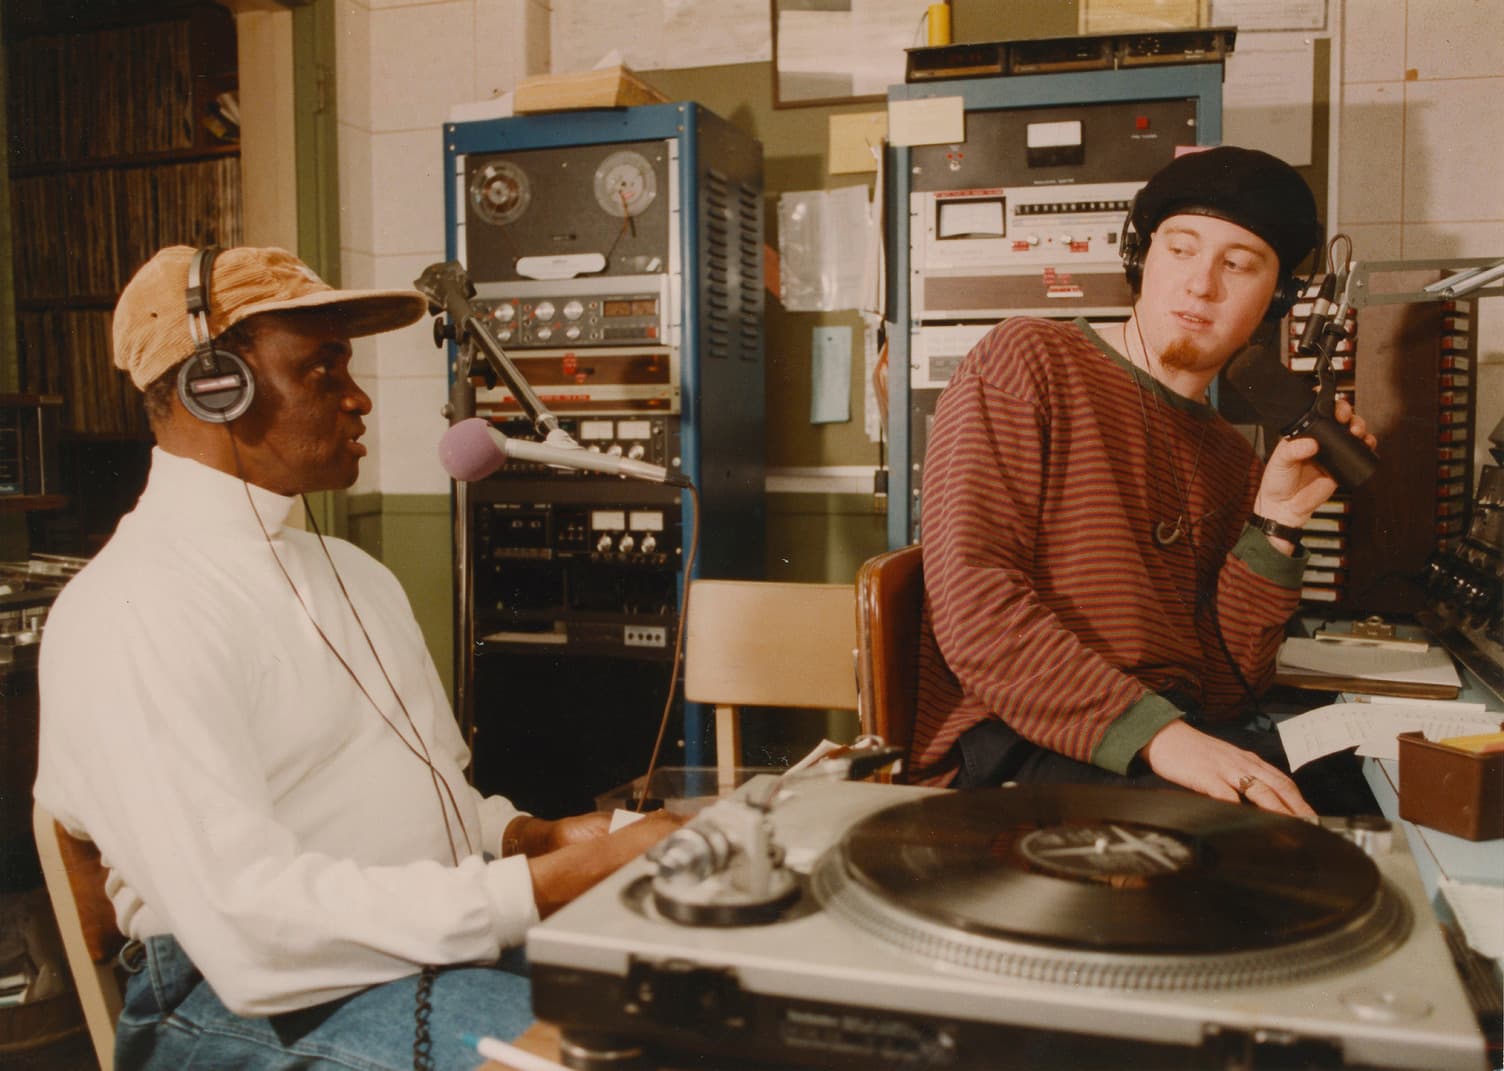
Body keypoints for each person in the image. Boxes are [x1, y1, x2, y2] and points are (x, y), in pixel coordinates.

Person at [33, 245, 681, 1071]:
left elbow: (430, 794)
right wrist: (553, 883)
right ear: (214, 386)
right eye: (322, 370)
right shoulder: (131, 609)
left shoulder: (357, 575)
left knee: (708, 1007)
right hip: (232, 998)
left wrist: (530, 834)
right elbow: (249, 933)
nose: (359, 397)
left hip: (405, 948)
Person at [910, 146, 1379, 818]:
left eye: (1238, 265)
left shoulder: (1226, 452)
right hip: (1013, 741)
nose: (1201, 285)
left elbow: (1223, 688)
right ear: (1141, 259)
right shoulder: (1025, 362)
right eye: (1182, 250)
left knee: (1365, 795)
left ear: (1275, 299)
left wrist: (1276, 520)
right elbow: (977, 607)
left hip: (1161, 734)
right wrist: (1161, 736)